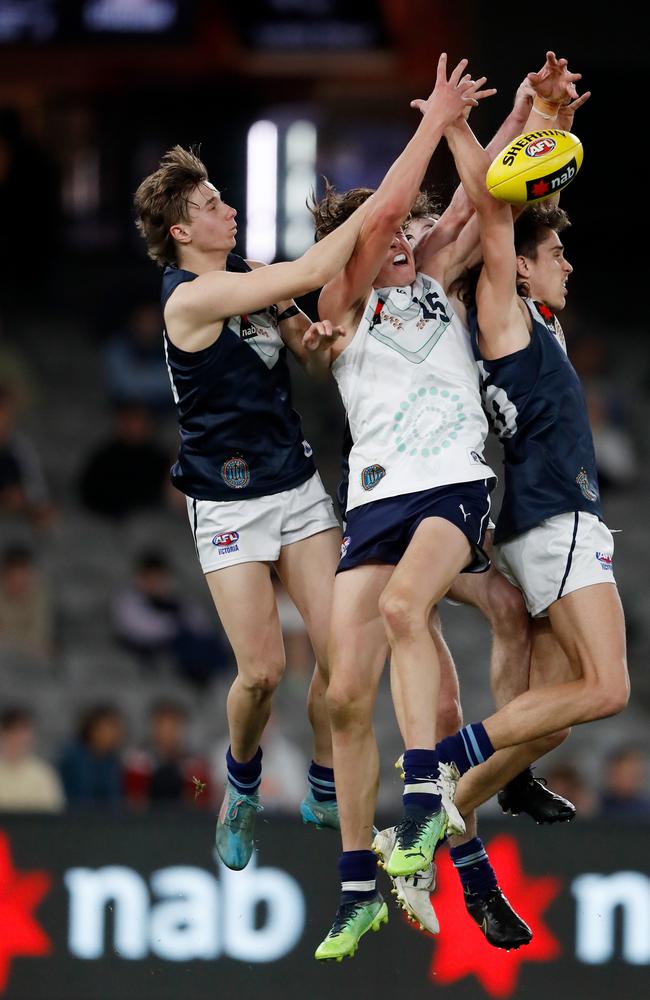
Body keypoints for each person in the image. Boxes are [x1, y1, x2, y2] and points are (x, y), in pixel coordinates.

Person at [133, 141, 374, 871]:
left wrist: (320, 340)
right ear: (181, 231)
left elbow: (307, 352)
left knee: (343, 657)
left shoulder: (251, 276)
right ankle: (240, 783)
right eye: (211, 206)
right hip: (227, 502)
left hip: (295, 485)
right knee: (264, 672)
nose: (228, 209)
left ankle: (325, 782)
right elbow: (306, 272)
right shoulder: (190, 297)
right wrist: (379, 209)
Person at [0, 707, 65, 812]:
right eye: (12, 731)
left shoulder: (43, 773)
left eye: (22, 732)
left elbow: (54, 812)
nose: (17, 738)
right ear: (3, 733)